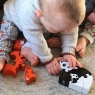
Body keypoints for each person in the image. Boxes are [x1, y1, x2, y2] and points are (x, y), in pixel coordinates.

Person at [0, 0, 85, 75]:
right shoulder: (28, 13)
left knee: (58, 29)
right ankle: (1, 55)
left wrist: (69, 51)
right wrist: (48, 59)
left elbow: (71, 29)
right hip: (14, 17)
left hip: (41, 25)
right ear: (40, 14)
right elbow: (35, 38)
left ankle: (28, 49)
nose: (65, 32)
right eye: (62, 30)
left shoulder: (55, 16)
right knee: (6, 33)